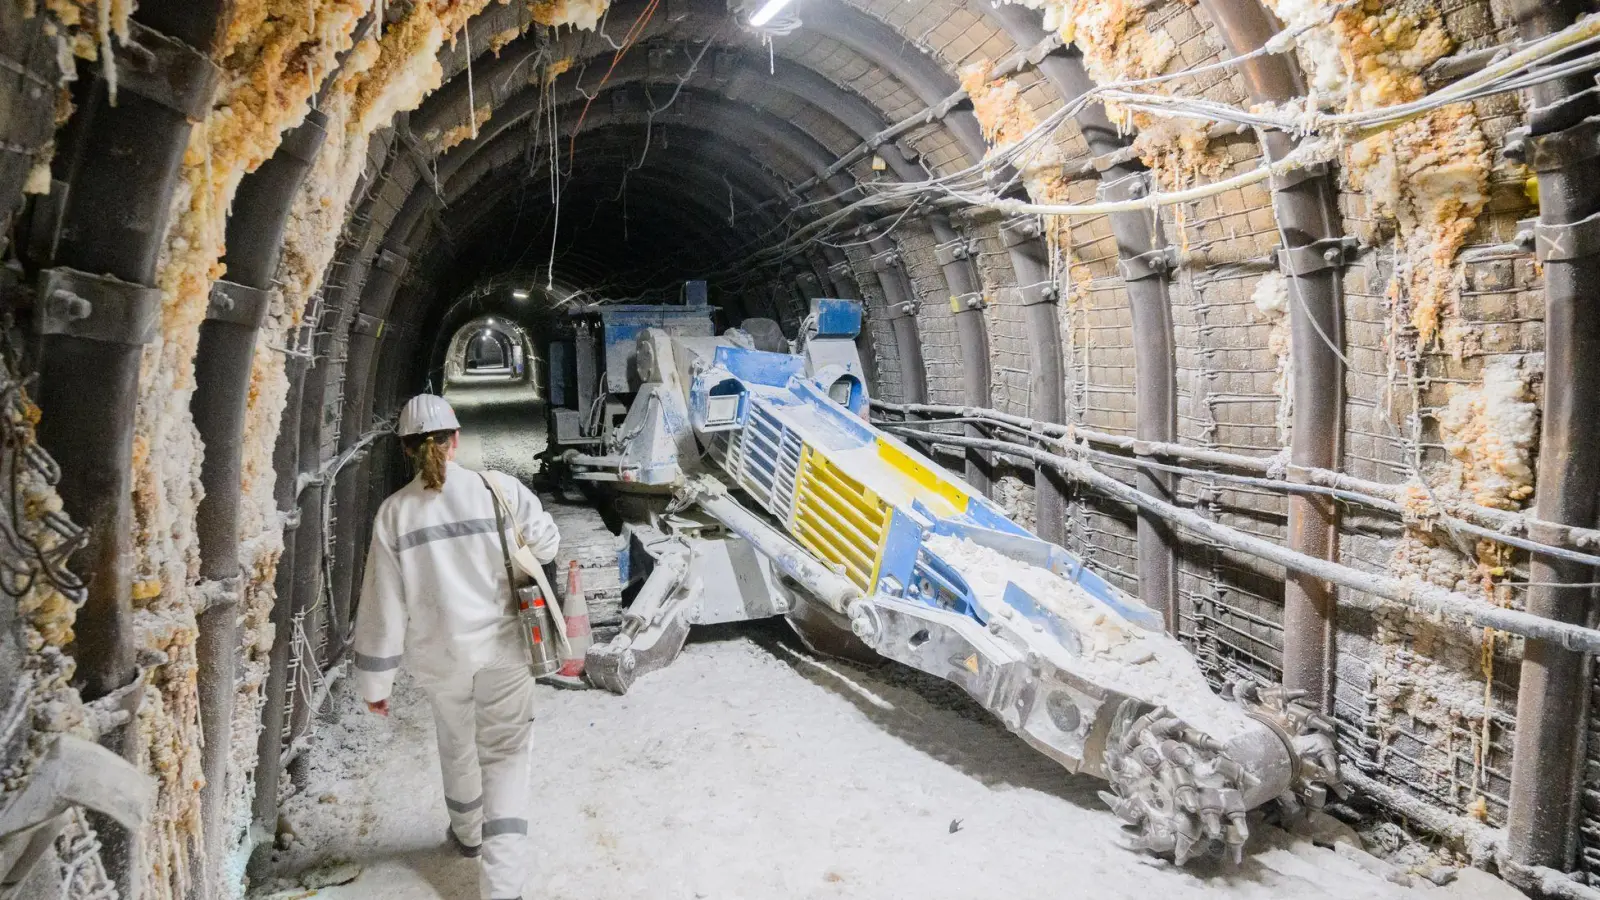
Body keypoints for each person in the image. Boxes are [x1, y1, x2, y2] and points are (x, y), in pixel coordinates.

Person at [351, 393, 560, 900]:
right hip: (504, 650)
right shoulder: (499, 490)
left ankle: (467, 835)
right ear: (456, 439)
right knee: (505, 756)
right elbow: (548, 545)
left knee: (456, 740)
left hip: (441, 657)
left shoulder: (394, 515)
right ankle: (502, 887)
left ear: (405, 450)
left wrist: (375, 682)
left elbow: (384, 604)